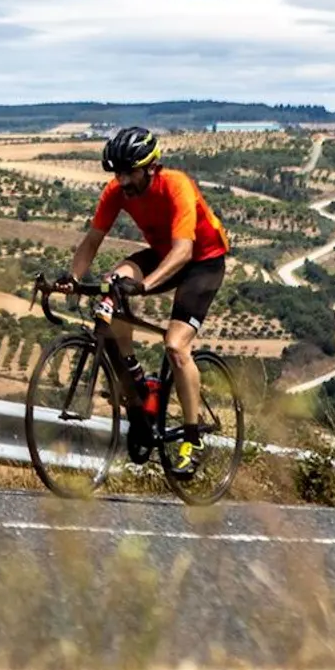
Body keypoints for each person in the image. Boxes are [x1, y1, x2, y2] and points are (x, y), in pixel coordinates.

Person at [55, 125, 229, 475]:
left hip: (202, 260)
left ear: (151, 167)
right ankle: (134, 376)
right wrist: (72, 279)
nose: (122, 181)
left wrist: (146, 285)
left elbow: (183, 252)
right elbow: (92, 242)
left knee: (176, 346)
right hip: (163, 253)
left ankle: (192, 439)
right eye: (117, 173)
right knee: (111, 288)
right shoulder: (116, 191)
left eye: (129, 172)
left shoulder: (176, 185)